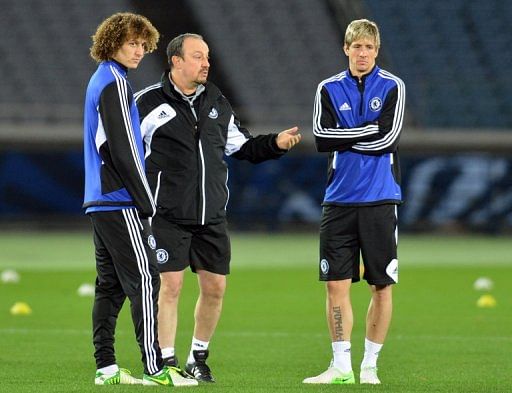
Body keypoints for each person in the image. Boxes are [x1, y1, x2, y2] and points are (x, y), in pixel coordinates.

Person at [135, 33, 301, 382]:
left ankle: (198, 357)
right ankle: (166, 362)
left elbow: (242, 147)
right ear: (176, 61)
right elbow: (124, 152)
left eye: (207, 56)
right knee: (170, 286)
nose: (206, 63)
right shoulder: (145, 104)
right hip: (166, 216)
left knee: (215, 288)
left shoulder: (216, 101)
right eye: (198, 56)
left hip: (211, 216)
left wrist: (276, 143)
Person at [83, 13, 197, 387]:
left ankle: (107, 369)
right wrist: (146, 202)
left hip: (101, 199)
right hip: (119, 199)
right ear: (111, 42)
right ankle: (156, 369)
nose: (138, 51)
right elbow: (125, 150)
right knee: (146, 280)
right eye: (131, 43)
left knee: (110, 286)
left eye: (141, 45)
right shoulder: (114, 83)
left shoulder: (101, 80)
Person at [303, 19, 405, 385]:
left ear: (376, 51)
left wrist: (343, 136)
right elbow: (321, 138)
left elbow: (388, 140)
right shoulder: (328, 89)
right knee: (335, 285)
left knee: (381, 286)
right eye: (356, 47)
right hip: (339, 200)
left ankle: (370, 366)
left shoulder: (393, 85)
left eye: (369, 48)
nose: (362, 54)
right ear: (346, 48)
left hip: (380, 199)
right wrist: (365, 130)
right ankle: (341, 366)